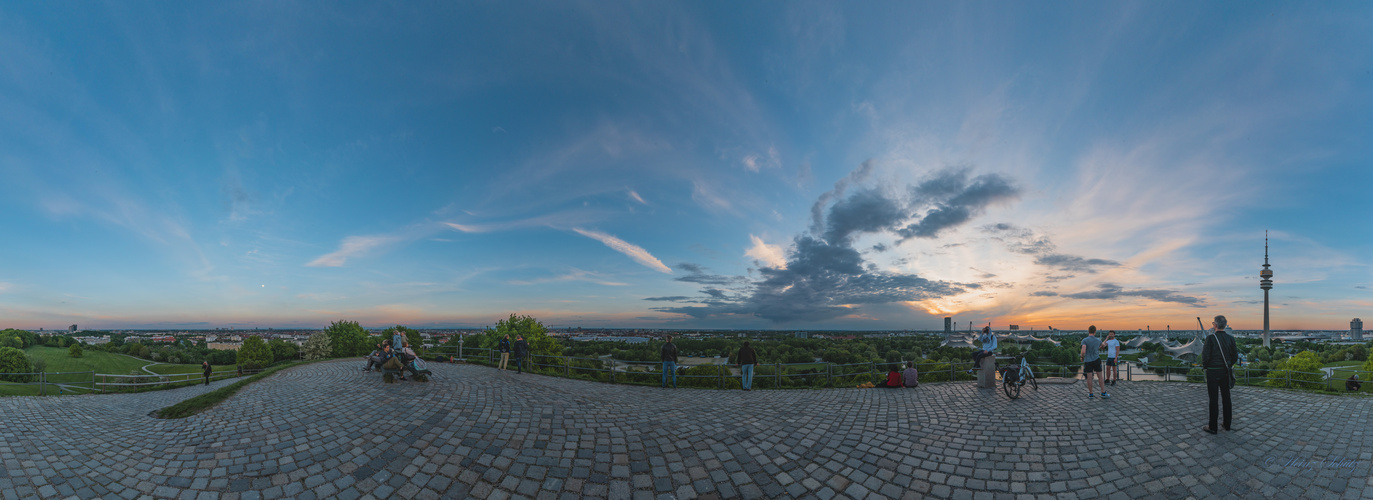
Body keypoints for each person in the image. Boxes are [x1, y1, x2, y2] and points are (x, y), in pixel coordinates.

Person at [1200, 315, 1238, 434]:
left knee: (1213, 400)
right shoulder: (1230, 339)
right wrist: (1228, 365)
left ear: (1215, 325)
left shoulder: (1210, 338)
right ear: (1225, 325)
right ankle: (1227, 424)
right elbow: (1235, 356)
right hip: (1225, 372)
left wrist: (1206, 366)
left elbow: (1205, 356)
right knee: (1227, 399)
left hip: (1212, 371)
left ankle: (1213, 427)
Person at [1081, 326, 1109, 399]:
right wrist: (1103, 345)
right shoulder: (1098, 340)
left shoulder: (1085, 340)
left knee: (1089, 378)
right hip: (1096, 359)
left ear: (1088, 331)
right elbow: (1102, 346)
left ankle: (1091, 394)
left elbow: (1083, 351)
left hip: (1087, 361)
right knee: (1100, 377)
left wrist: (1082, 357)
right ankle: (1103, 392)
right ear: (1095, 331)